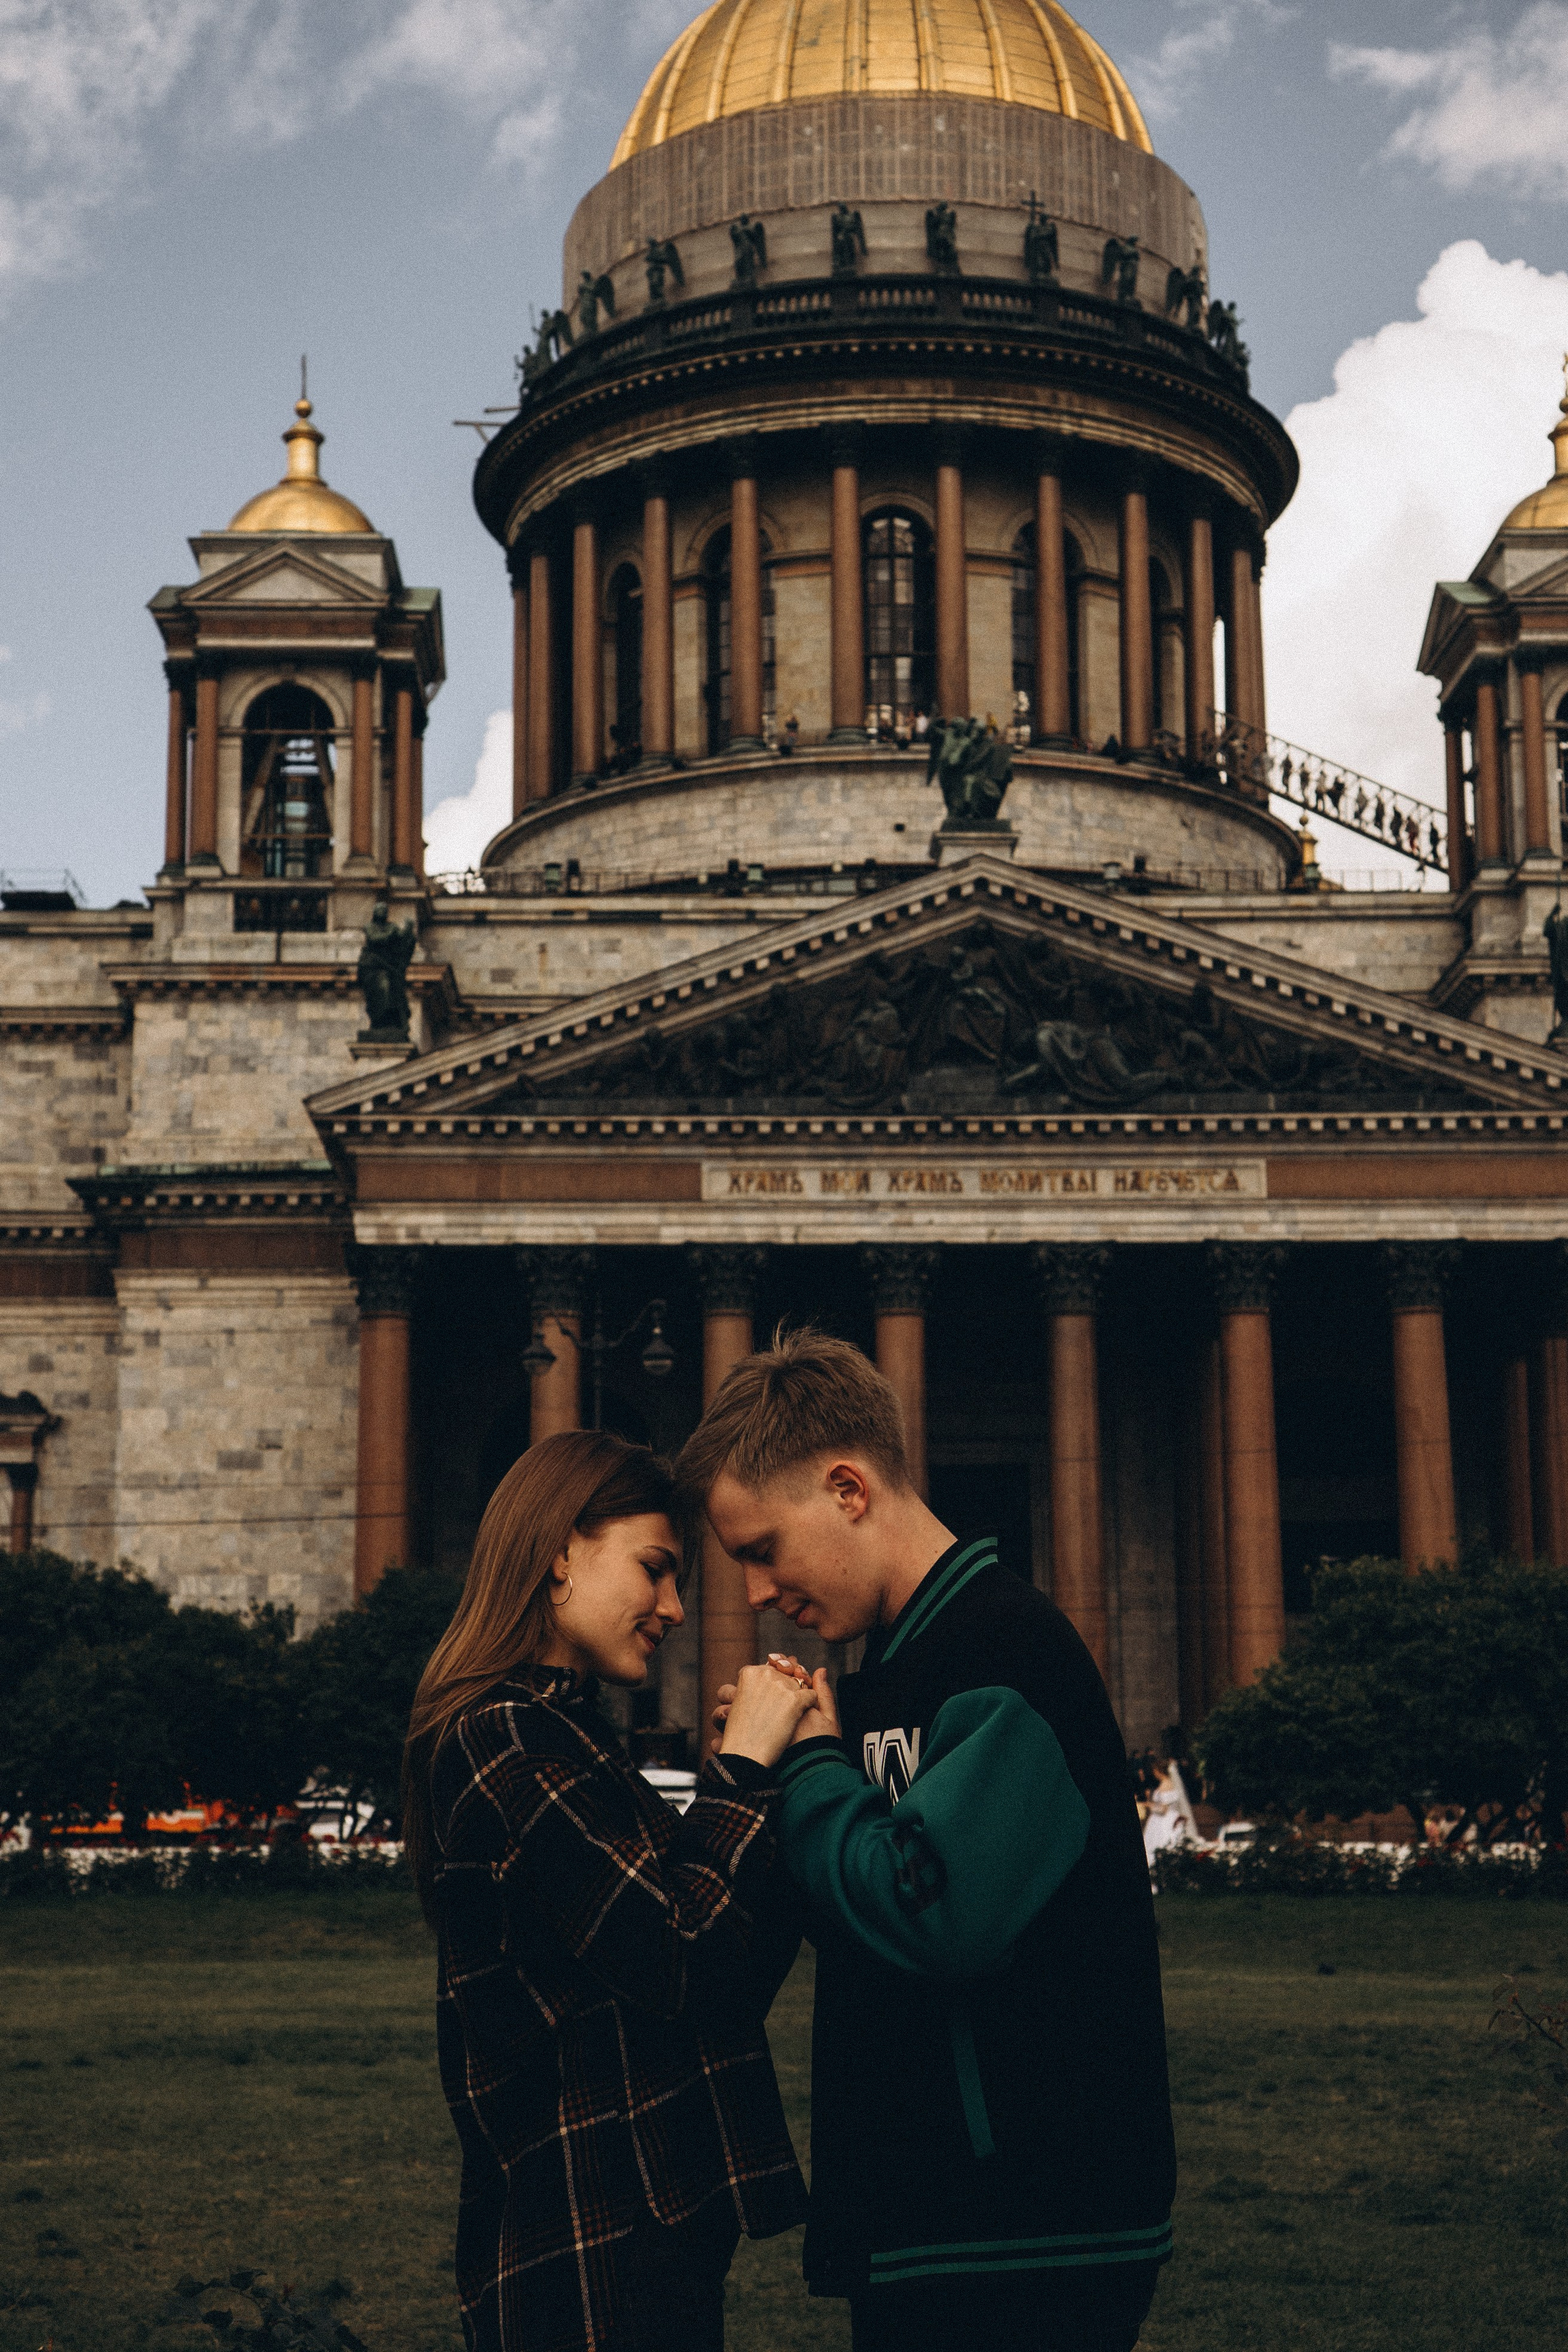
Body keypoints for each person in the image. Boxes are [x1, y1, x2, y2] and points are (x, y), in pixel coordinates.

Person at [677, 1332, 1175, 2352]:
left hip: (1028, 2232)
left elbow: (932, 1910)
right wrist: (757, 1779)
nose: (756, 1597)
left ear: (849, 1489)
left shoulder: (1005, 1651)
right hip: (932, 2220)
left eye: (761, 1551)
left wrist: (813, 1767)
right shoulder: (890, 1674)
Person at [402, 1430, 816, 2352]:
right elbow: (681, 1954)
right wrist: (741, 1773)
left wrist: (777, 1788)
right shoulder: (506, 1738)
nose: (674, 1608)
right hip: (584, 2250)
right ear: (559, 1556)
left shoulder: (567, 1738)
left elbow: (725, 1977)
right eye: (656, 1570)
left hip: (634, 2236)